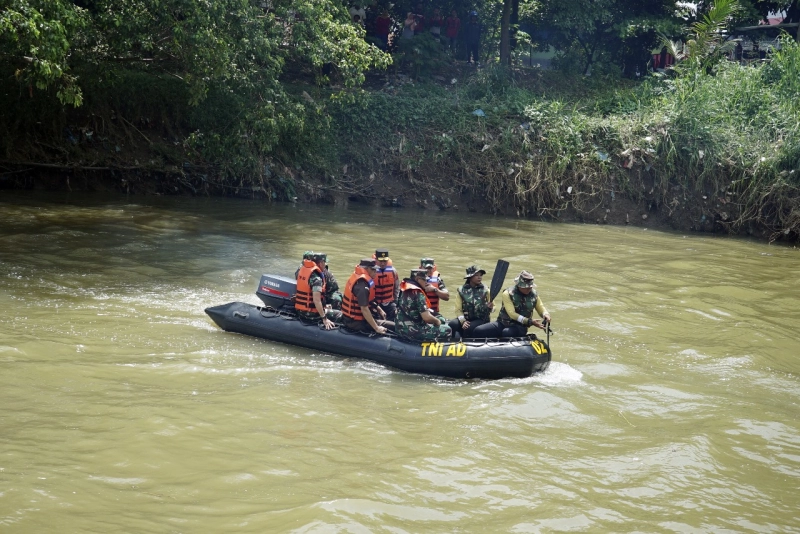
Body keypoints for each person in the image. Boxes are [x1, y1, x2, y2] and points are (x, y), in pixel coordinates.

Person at [473, 270, 551, 338]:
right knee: (478, 330)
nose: (529, 289)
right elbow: (512, 314)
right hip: (503, 323)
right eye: (526, 287)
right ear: (519, 285)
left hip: (520, 326)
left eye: (530, 287)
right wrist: (530, 321)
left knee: (506, 333)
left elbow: (540, 307)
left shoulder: (534, 294)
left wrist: (545, 314)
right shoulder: (508, 293)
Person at [396, 268, 452, 341]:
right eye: (425, 280)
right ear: (417, 279)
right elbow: (427, 318)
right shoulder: (418, 293)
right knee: (447, 330)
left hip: (399, 327)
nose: (427, 282)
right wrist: (437, 322)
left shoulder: (404, 288)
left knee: (440, 319)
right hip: (411, 331)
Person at [341, 258, 390, 335]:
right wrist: (377, 328)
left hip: (352, 318)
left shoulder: (358, 276)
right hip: (355, 322)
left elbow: (369, 299)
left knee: (382, 318)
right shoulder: (362, 286)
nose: (375, 272)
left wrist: (379, 309)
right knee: (391, 326)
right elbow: (364, 309)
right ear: (366, 269)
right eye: (373, 270)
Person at [295, 252, 341, 330]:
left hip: (299, 311)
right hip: (311, 314)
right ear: (320, 263)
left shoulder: (302, 271)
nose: (325, 265)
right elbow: (317, 300)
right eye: (324, 262)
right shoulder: (317, 279)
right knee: (340, 314)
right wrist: (324, 319)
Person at [448, 265, 493, 339]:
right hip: (466, 318)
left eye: (480, 275)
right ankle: (451, 343)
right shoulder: (461, 290)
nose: (479, 277)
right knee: (452, 324)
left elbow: (494, 307)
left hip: (481, 319)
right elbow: (458, 309)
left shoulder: (486, 290)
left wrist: (491, 307)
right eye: (476, 275)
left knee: (468, 327)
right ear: (470, 277)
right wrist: (463, 321)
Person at [372, 248, 399, 321]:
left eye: (385, 261)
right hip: (375, 303)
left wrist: (396, 303)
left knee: (396, 316)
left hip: (389, 302)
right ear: (376, 260)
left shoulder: (393, 271)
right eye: (381, 261)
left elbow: (396, 288)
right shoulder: (371, 272)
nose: (383, 263)